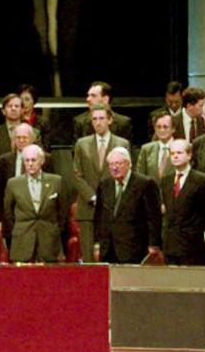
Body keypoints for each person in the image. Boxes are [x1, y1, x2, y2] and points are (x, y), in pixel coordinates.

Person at [71, 105, 130, 254]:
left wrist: (108, 198)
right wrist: (92, 196)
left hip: (113, 207)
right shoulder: (81, 144)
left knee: (111, 253)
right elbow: (77, 175)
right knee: (88, 257)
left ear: (110, 120)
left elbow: (127, 174)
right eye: (94, 119)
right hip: (87, 207)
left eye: (101, 118)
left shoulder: (122, 144)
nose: (98, 122)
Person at [93, 147, 161, 263]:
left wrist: (153, 244)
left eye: (119, 164)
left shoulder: (145, 184)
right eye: (111, 164)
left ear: (129, 164)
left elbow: (153, 217)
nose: (114, 168)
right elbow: (99, 216)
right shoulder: (104, 185)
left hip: (134, 248)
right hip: (108, 249)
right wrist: (97, 243)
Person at [3, 145, 67, 262]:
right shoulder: (13, 183)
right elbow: (8, 213)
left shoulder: (56, 181)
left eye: (33, 160)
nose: (30, 164)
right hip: (22, 240)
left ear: (41, 161)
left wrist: (54, 229)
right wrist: (19, 229)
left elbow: (62, 211)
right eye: (27, 160)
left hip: (49, 240)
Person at [159, 139, 205, 265]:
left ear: (189, 155)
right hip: (170, 245)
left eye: (179, 153)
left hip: (192, 245)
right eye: (172, 153)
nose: (175, 156)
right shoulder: (166, 180)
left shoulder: (201, 180)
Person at [0, 94, 29, 172]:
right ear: (3, 111)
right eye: (9, 106)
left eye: (16, 106)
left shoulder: (34, 133)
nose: (13, 108)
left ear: (22, 110)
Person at [135, 111, 175, 183]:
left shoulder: (182, 148)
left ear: (173, 129)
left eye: (165, 127)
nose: (161, 130)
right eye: (158, 127)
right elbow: (140, 177)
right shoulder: (146, 149)